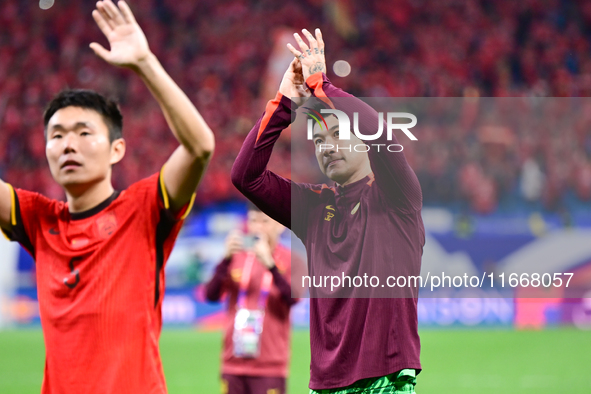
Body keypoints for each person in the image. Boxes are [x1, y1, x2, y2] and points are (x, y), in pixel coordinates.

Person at [0, 1, 214, 393]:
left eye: (84, 133)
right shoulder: (37, 218)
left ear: (117, 149)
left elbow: (200, 146)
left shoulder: (144, 207)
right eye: (57, 135)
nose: (68, 145)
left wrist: (145, 63)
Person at [231, 28, 424, 393]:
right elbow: (245, 176)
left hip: (384, 379)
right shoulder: (313, 206)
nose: (326, 146)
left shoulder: (398, 198)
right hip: (324, 384)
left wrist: (324, 87)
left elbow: (380, 133)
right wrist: (284, 103)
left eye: (337, 134)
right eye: (319, 139)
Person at [205, 203, 301, 394]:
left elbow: (294, 298)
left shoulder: (293, 260)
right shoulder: (236, 256)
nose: (257, 227)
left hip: (270, 364)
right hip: (233, 361)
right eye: (253, 221)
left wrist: (271, 265)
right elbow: (211, 295)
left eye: (264, 221)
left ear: (280, 225)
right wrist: (225, 259)